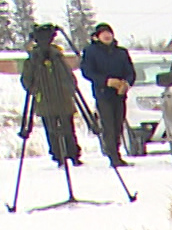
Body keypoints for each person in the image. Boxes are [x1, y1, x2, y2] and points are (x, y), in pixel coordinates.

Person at [19, 24, 82, 167]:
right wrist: (36, 90)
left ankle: (73, 154)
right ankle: (59, 156)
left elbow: (68, 76)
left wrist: (70, 88)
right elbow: (27, 81)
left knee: (68, 129)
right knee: (52, 130)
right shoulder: (33, 60)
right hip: (46, 100)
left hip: (63, 99)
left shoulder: (58, 57)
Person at [79, 22, 135, 168]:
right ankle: (113, 155)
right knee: (108, 125)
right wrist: (106, 81)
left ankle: (116, 151)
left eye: (109, 32)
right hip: (103, 94)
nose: (107, 35)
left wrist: (126, 84)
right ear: (97, 36)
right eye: (103, 33)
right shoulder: (91, 51)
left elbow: (130, 71)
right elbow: (87, 72)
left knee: (118, 124)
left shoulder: (121, 52)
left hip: (120, 95)